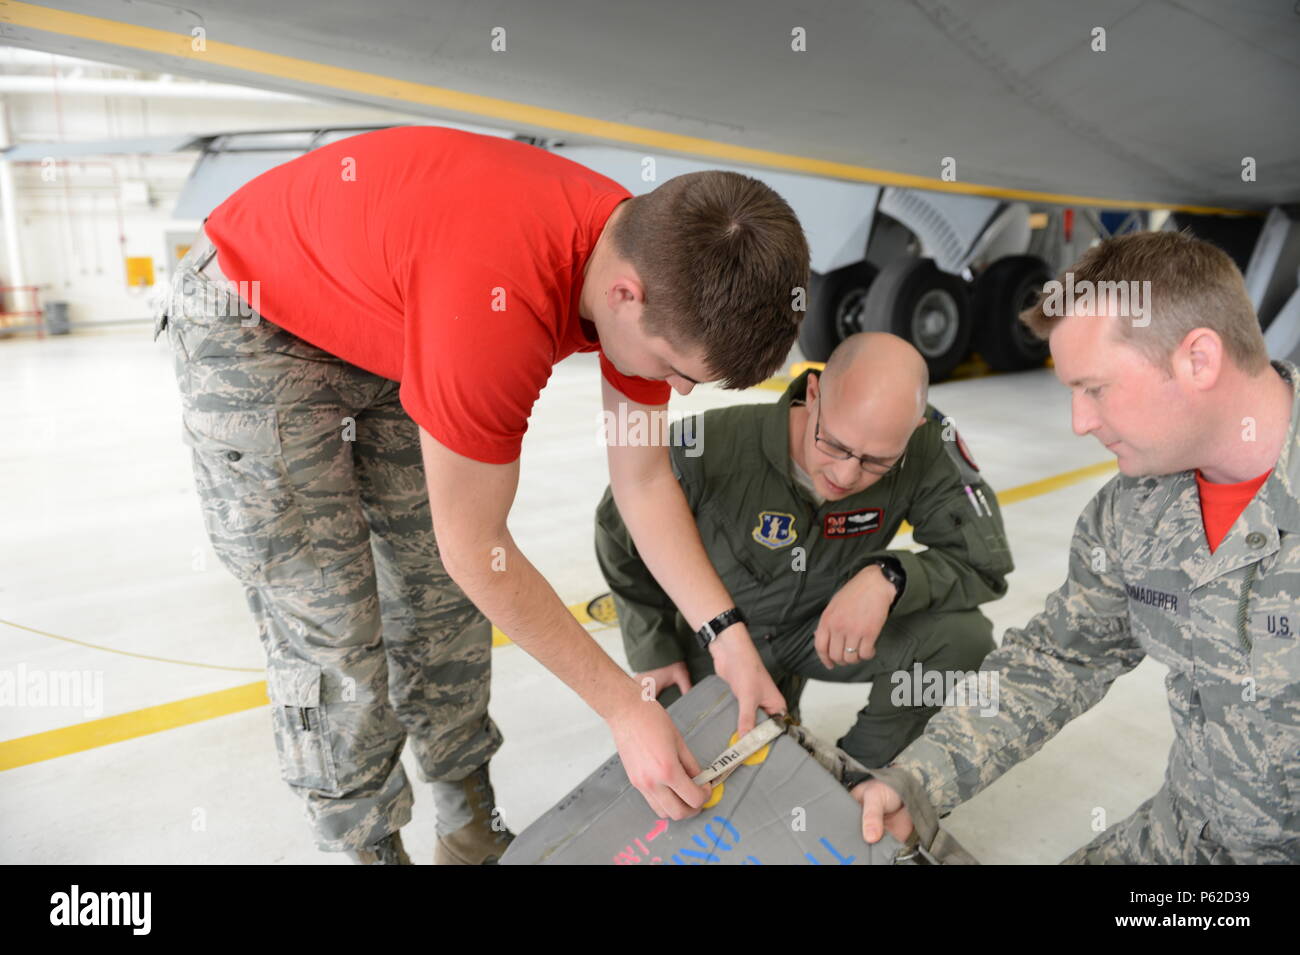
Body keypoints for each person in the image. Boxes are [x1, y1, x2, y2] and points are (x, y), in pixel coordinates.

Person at [154, 125, 809, 863]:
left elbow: (645, 479)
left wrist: (730, 636)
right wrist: (627, 709)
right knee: (332, 620)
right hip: (257, 321)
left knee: (437, 596)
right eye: (676, 368)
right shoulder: (500, 302)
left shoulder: (651, 260)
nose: (679, 389)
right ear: (626, 295)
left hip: (398, 316)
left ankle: (467, 819)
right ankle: (369, 845)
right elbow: (479, 546)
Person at [851, 230, 1300, 864]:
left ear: (1198, 359)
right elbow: (1062, 659)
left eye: (1095, 388)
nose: (1079, 422)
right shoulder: (1132, 510)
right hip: (1191, 835)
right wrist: (920, 779)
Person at [595, 332, 1012, 767]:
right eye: (834, 444)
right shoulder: (708, 447)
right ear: (812, 394)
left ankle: (863, 782)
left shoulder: (925, 447)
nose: (847, 475)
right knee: (695, 785)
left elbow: (983, 563)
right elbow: (616, 531)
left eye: (877, 461)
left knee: (962, 640)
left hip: (819, 631)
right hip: (717, 640)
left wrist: (889, 577)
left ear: (915, 429)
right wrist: (653, 650)